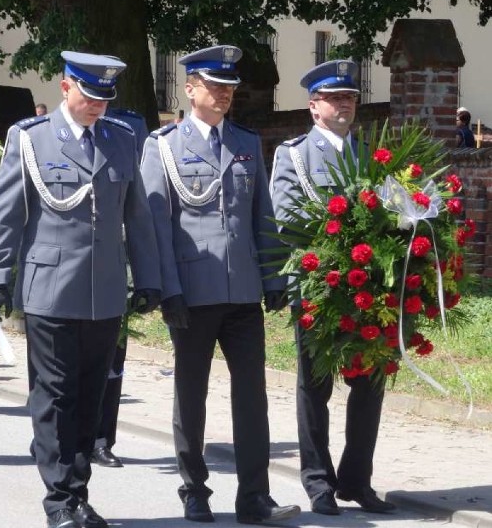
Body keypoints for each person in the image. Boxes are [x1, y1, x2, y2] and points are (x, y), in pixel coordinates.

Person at [0, 51, 161, 528]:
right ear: (65, 88)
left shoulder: (121, 141)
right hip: (50, 288)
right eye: (89, 95)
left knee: (90, 396)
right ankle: (59, 499)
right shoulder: (31, 139)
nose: (97, 105)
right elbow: (6, 215)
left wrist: (148, 278)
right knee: (55, 394)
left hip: (103, 292)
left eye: (105, 98)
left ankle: (78, 493)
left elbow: (136, 216)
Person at [140, 46, 299, 525]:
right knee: (191, 395)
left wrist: (273, 278)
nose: (225, 93)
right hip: (192, 290)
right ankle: (194, 489)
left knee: (253, 396)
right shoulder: (163, 145)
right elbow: (156, 225)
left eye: (229, 86)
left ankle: (255, 496)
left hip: (243, 291)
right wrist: (167, 290)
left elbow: (261, 216)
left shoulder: (247, 143)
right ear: (190, 89)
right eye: (215, 85)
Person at [270, 59, 396, 516]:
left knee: (369, 384)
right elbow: (286, 219)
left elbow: (389, 216)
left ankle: (356, 480)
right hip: (318, 289)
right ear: (313, 106)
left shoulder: (368, 156)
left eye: (350, 98)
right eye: (334, 98)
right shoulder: (294, 155)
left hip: (367, 291)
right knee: (315, 387)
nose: (344, 105)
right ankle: (319, 482)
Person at [89, 103, 150, 470]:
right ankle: (57, 432)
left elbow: (137, 198)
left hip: (117, 258)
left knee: (113, 356)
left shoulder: (128, 127)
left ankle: (101, 438)